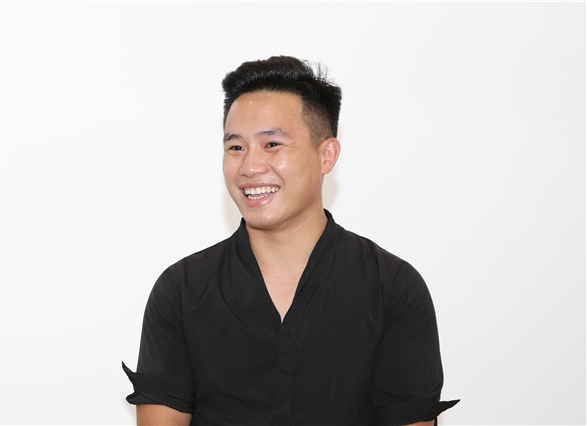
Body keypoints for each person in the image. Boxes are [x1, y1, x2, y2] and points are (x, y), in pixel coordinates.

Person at [123, 56, 458, 426]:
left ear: (326, 155)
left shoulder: (392, 289)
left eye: (271, 144)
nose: (249, 167)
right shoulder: (182, 291)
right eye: (236, 148)